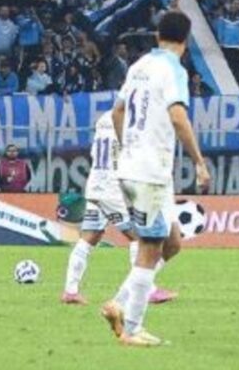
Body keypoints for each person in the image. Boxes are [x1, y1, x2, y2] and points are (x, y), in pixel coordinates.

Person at [101, 11, 209, 347]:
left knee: (172, 242)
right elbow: (178, 117)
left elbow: (118, 111)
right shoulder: (172, 70)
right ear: (186, 41)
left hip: (139, 168)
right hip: (148, 171)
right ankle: (132, 328)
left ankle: (118, 302)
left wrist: (127, 145)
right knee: (150, 247)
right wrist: (199, 162)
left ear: (156, 35)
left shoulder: (139, 66)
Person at [61, 110, 178, 306]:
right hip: (113, 187)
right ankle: (146, 290)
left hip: (95, 183)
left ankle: (70, 291)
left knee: (89, 237)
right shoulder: (131, 121)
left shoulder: (104, 118)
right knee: (141, 238)